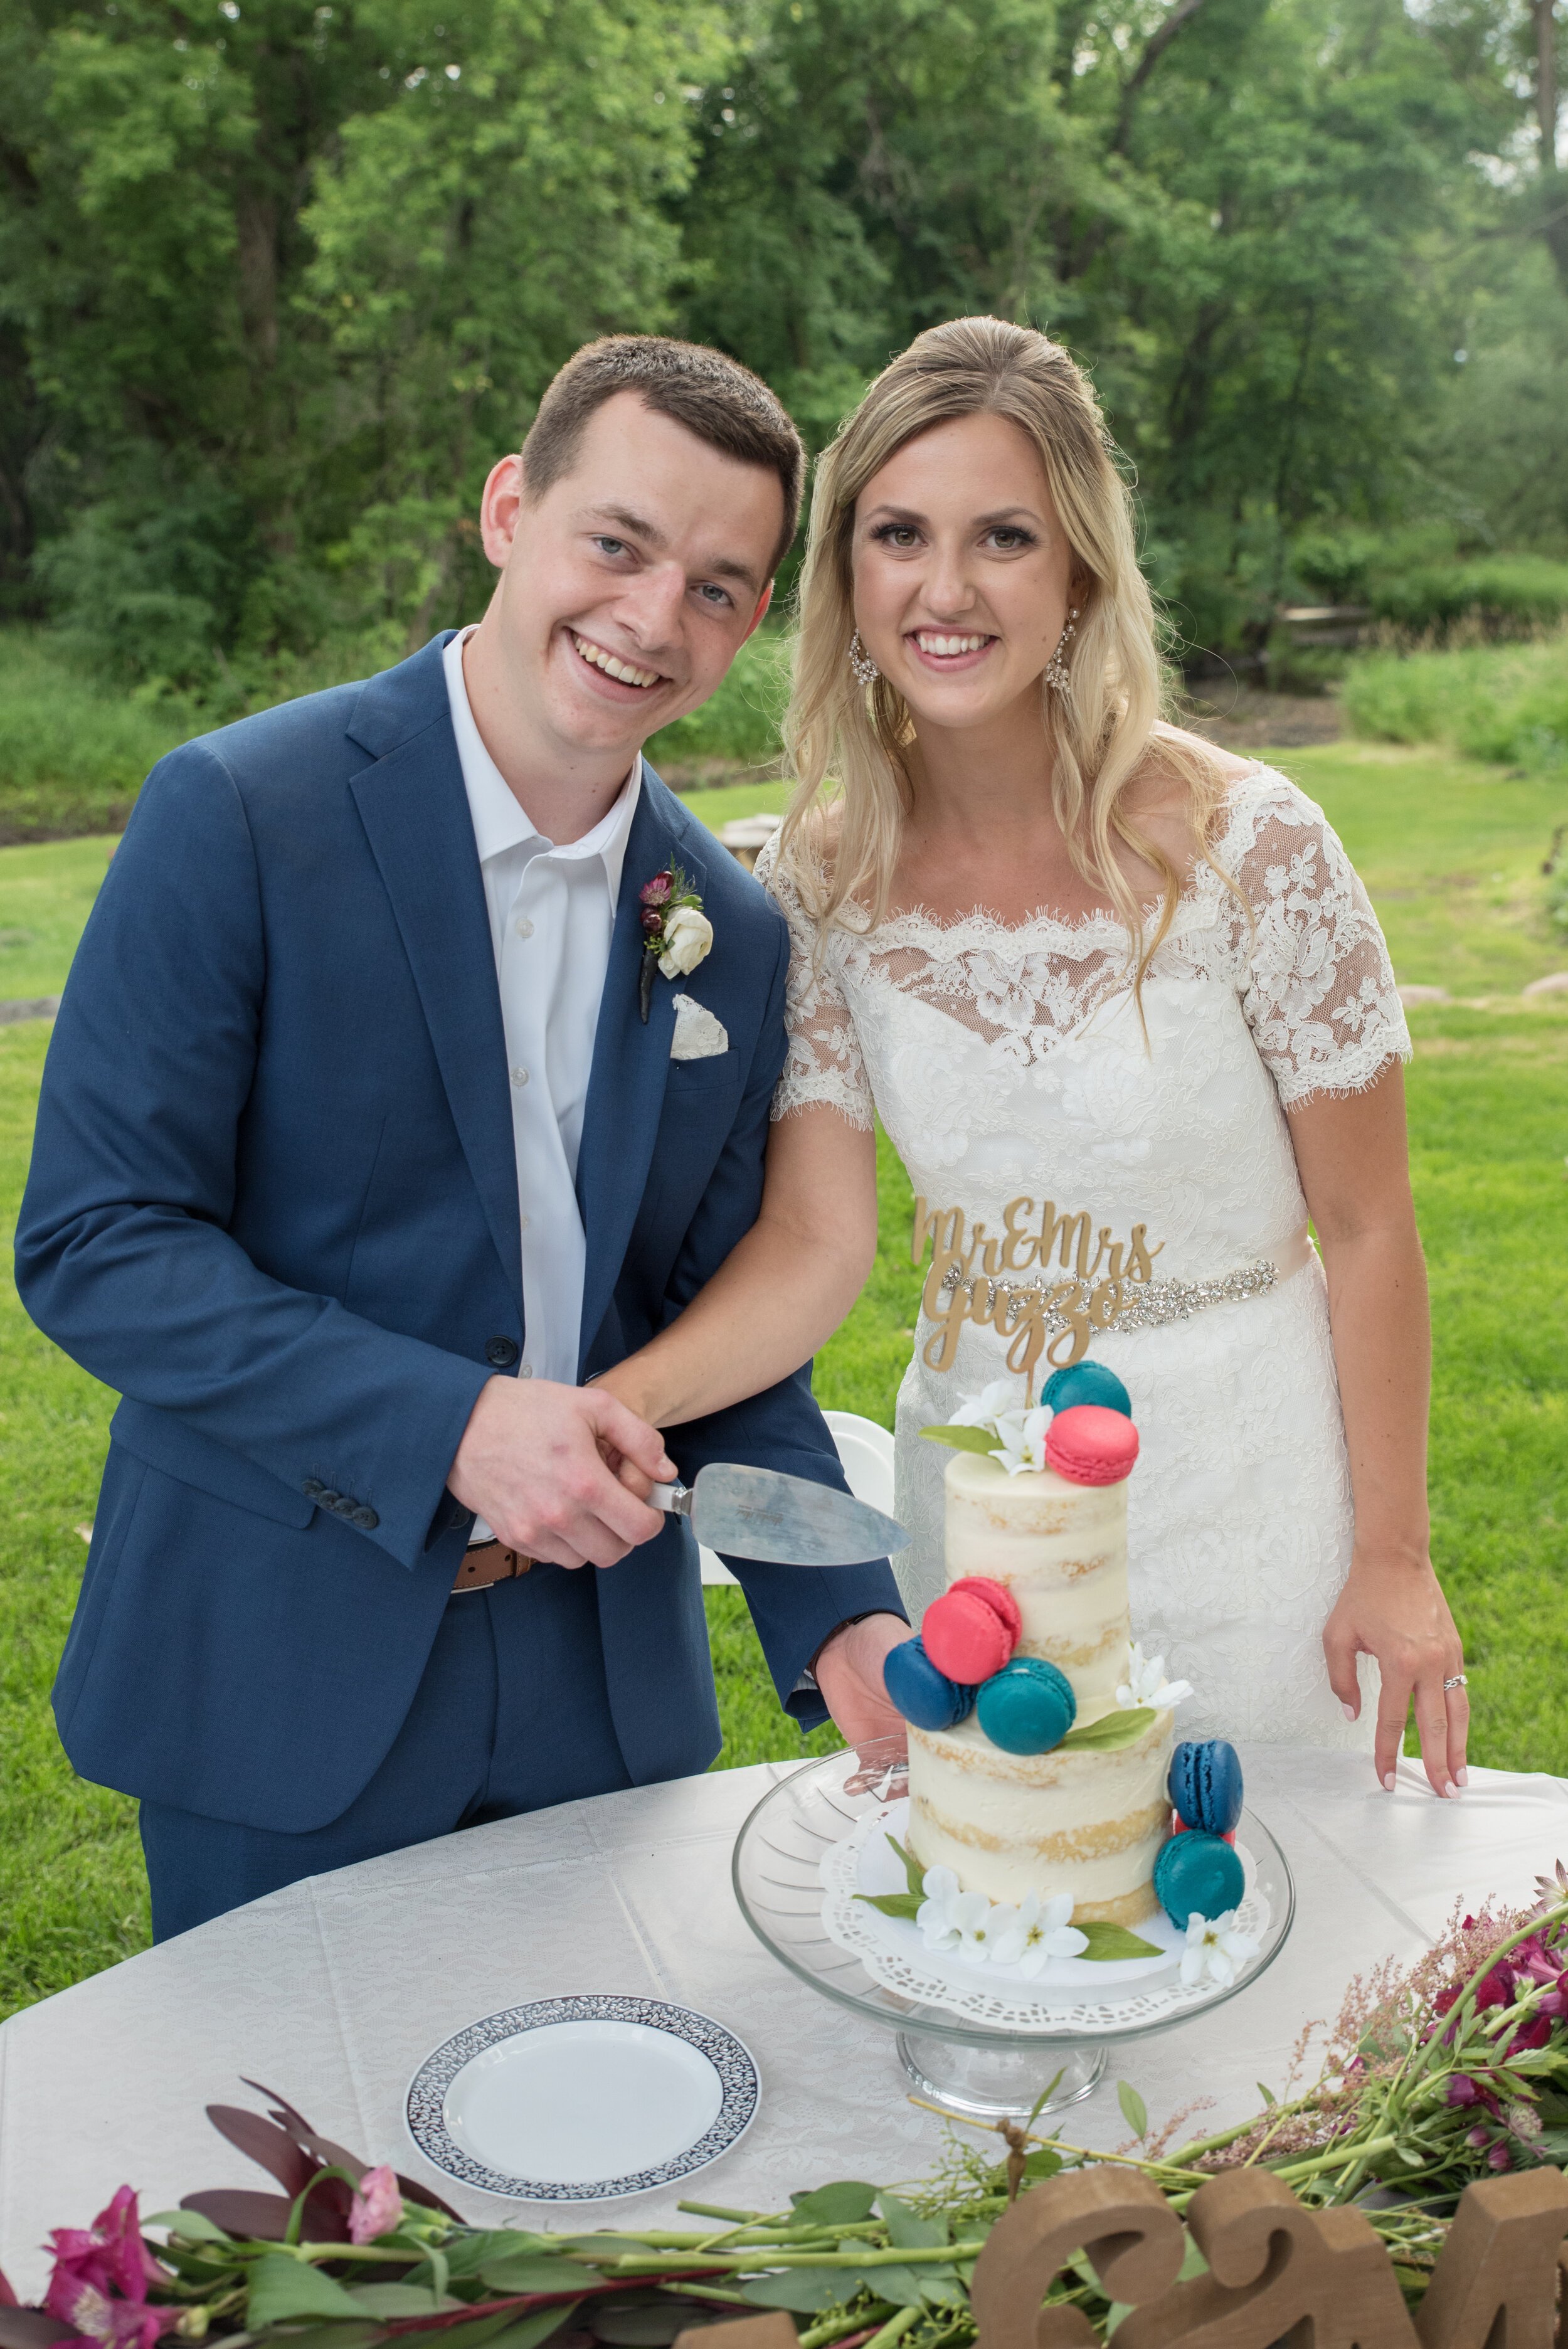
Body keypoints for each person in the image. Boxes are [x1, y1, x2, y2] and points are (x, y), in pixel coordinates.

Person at [15, 335, 908, 1943]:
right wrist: (450, 1424)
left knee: (603, 2179)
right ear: (510, 509)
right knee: (288, 2189)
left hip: (602, 1697)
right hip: (283, 1662)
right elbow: (99, 1241)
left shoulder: (732, 929)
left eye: (717, 585)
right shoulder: (235, 812)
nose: (652, 618)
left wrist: (838, 1610)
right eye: (616, 544)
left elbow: (709, 1335)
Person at [594, 316, 1470, 1801]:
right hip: (986, 1508)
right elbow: (815, 1239)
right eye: (898, 535)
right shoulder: (816, 884)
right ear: (847, 573)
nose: (944, 590)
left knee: (1259, 1937)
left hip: (1247, 1494)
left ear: (1076, 570)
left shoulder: (1252, 844)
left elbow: (1371, 1226)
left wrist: (1390, 1556)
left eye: (1003, 536)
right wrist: (617, 1410)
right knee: (1013, 1923)